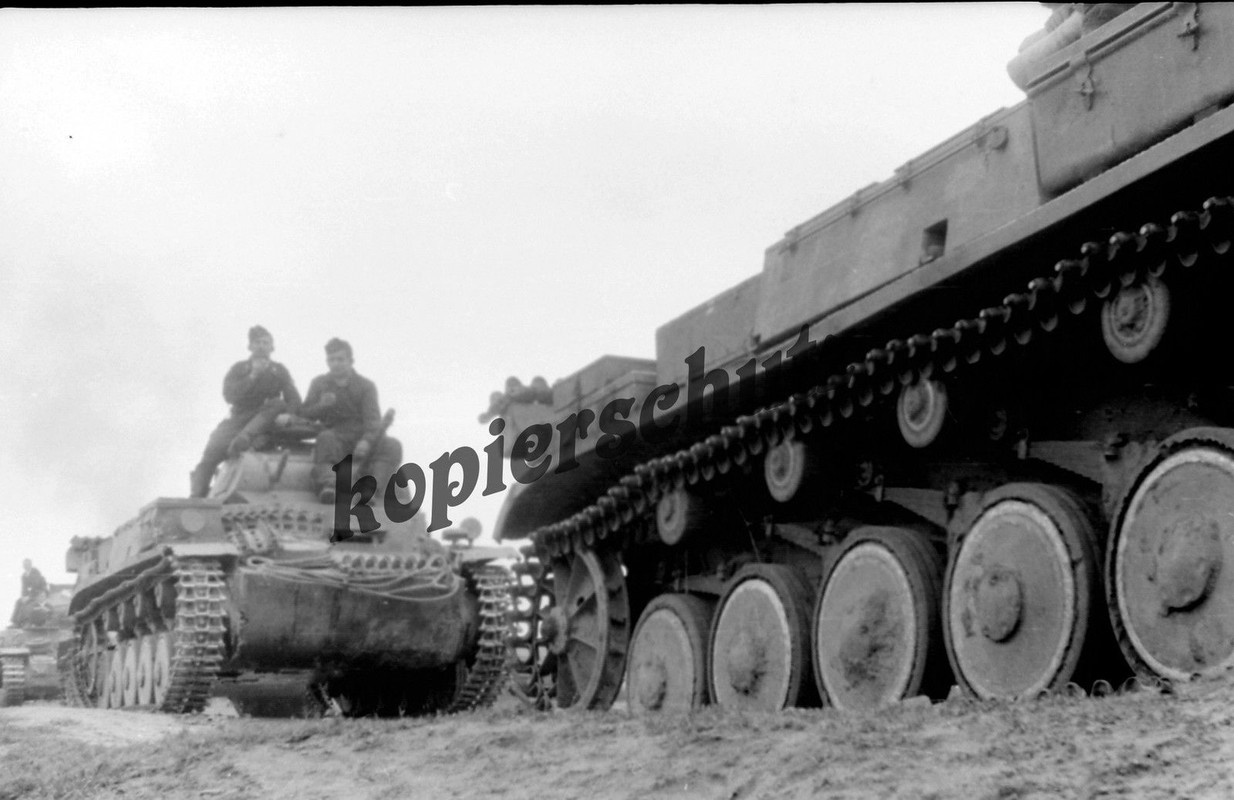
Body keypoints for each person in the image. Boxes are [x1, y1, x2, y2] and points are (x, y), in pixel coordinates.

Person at [189, 325, 302, 498]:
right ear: (250, 346)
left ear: (272, 347)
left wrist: (290, 415)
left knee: (277, 403)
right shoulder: (239, 369)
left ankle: (245, 438)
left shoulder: (279, 371)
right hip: (239, 418)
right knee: (211, 453)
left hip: (264, 419)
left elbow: (294, 398)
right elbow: (229, 396)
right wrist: (252, 376)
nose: (261, 346)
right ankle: (197, 496)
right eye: (257, 342)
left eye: (266, 342)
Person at [299, 338, 402, 504]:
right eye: (332, 360)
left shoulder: (365, 386)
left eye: (340, 359)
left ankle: (369, 489)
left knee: (392, 445)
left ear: (350, 361)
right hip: (335, 435)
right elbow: (304, 414)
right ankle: (330, 485)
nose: (336, 364)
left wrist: (367, 441)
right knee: (326, 439)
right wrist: (321, 406)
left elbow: (373, 420)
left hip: (361, 435)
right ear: (327, 361)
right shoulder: (319, 384)